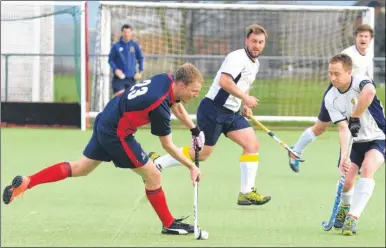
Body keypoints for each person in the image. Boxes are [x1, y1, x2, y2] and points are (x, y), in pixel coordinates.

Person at [2, 63, 206, 235]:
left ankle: (28, 182)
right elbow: (167, 145)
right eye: (194, 91)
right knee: (153, 175)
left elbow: (176, 104)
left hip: (106, 117)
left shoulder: (166, 79)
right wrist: (191, 167)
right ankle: (169, 224)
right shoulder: (159, 104)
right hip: (117, 134)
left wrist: (194, 129)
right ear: (180, 84)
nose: (196, 95)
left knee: (81, 168)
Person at [148, 24, 272, 206]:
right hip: (213, 110)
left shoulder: (256, 63)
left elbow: (241, 85)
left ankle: (246, 192)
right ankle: (159, 162)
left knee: (252, 144)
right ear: (246, 41)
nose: (257, 45)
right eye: (254, 41)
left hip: (231, 112)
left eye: (261, 42)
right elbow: (225, 81)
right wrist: (245, 97)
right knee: (203, 154)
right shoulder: (237, 57)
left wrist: (243, 103)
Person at [288, 24, 375, 172]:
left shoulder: (369, 54)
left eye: (366, 36)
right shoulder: (348, 55)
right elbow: (337, 76)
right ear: (355, 38)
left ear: (370, 39)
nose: (363, 39)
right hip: (338, 94)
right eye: (360, 36)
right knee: (321, 127)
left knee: (356, 125)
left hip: (355, 96)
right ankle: (295, 151)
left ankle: (355, 162)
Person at [323, 54, 385, 235]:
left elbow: (370, 92)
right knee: (347, 181)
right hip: (354, 142)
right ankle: (346, 206)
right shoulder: (330, 98)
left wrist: (355, 116)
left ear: (349, 72)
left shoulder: (361, 81)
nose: (333, 78)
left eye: (337, 74)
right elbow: (343, 128)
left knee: (367, 169)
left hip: (378, 137)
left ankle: (352, 217)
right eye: (330, 73)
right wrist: (344, 157)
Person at [109, 24, 144, 96]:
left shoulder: (135, 45)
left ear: (131, 33)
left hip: (132, 78)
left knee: (130, 101)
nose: (127, 34)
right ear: (122, 33)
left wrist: (140, 71)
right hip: (119, 78)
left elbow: (140, 58)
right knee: (119, 99)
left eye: (128, 32)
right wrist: (116, 70)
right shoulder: (116, 46)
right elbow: (110, 60)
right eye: (125, 32)